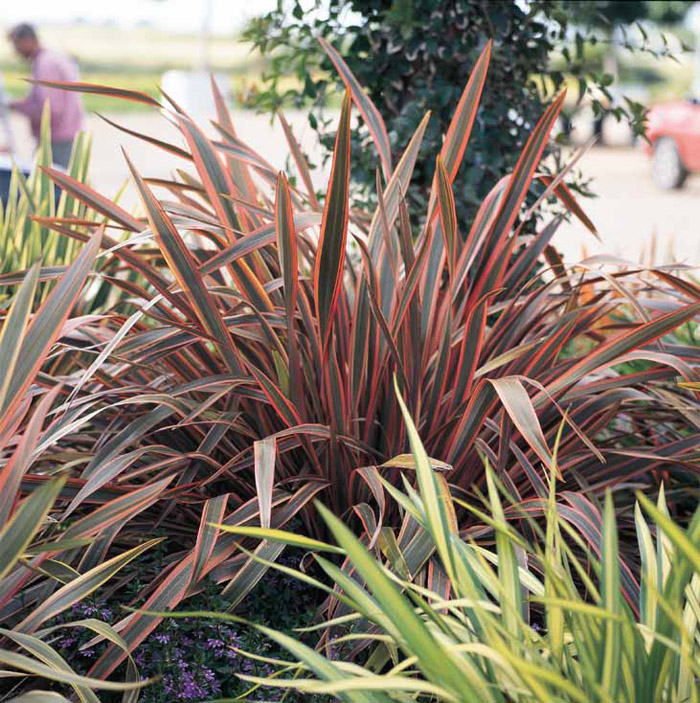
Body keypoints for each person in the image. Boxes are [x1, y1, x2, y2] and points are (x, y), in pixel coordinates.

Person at [7, 23, 84, 168]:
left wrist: (14, 106)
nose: (15, 50)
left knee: (50, 186)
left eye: (16, 44)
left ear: (27, 41)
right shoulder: (51, 58)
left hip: (56, 139)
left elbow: (49, 108)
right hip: (64, 135)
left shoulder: (46, 64)